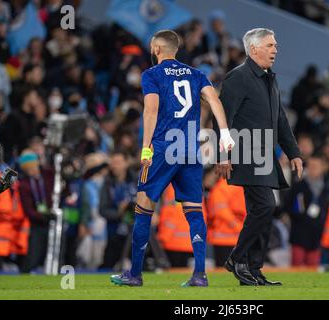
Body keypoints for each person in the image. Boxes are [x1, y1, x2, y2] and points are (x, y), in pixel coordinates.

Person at [111, 30, 234, 287]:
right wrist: (224, 137)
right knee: (194, 210)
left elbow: (151, 110)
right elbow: (216, 102)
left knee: (143, 206)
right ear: (176, 50)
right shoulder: (197, 74)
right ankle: (200, 274)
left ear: (157, 49)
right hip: (190, 148)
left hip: (164, 147)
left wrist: (145, 147)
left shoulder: (152, 75)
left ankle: (134, 274)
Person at [215, 28, 303, 286]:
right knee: (266, 206)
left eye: (275, 45)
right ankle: (237, 258)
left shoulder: (269, 79)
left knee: (262, 211)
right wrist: (222, 155)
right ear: (254, 50)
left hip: (264, 154)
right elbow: (222, 119)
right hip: (244, 152)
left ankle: (252, 269)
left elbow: (281, 119)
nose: (275, 49)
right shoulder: (237, 77)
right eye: (270, 45)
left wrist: (293, 152)